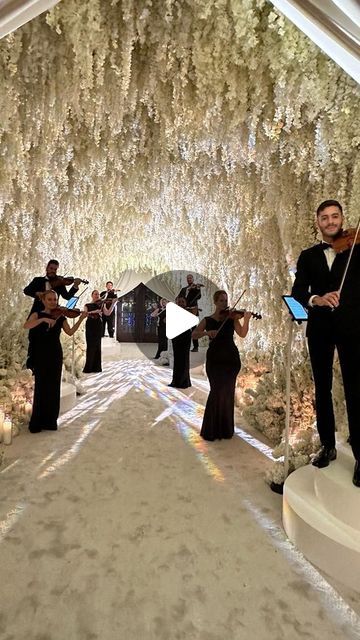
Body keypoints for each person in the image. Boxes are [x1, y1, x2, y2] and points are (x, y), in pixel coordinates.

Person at [292, 199, 360, 487]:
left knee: (355, 388)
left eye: (335, 216)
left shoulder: (357, 248)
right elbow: (297, 292)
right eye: (325, 217)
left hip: (352, 328)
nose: (331, 221)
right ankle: (327, 446)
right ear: (317, 222)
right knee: (322, 387)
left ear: (342, 218)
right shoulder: (308, 256)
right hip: (319, 328)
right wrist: (315, 299)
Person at [24, 290, 87, 433]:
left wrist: (81, 318)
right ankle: (37, 422)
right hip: (40, 354)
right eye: (50, 299)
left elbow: (70, 332)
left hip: (55, 354)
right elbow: (26, 325)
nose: (53, 302)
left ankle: (50, 421)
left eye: (55, 299)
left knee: (53, 387)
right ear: (44, 301)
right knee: (41, 387)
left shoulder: (60, 316)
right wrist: (43, 320)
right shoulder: (37, 314)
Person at [192, 290, 251, 441]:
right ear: (215, 302)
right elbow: (194, 334)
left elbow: (242, 334)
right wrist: (207, 333)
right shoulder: (207, 319)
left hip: (230, 359)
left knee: (227, 392)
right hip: (215, 359)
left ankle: (225, 429)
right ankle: (211, 429)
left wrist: (247, 319)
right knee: (216, 391)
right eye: (221, 301)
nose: (225, 303)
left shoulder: (231, 317)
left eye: (226, 300)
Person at [83, 290, 118, 373]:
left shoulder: (102, 304)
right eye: (95, 294)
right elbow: (85, 314)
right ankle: (88, 368)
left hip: (98, 325)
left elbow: (108, 313)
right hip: (90, 325)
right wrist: (93, 312)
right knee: (90, 345)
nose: (97, 295)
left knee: (97, 345)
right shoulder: (87, 305)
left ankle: (97, 368)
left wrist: (113, 303)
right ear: (92, 295)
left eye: (98, 294)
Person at [168, 297, 192, 389]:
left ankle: (184, 382)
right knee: (177, 358)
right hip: (176, 336)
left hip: (185, 336)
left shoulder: (189, 312)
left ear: (185, 303)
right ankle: (175, 381)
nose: (181, 303)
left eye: (182, 302)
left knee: (184, 358)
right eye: (179, 302)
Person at [179, 274, 203, 352]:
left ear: (192, 279)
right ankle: (184, 345)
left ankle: (196, 347)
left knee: (193, 328)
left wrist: (197, 288)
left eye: (190, 278)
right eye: (188, 278)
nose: (189, 279)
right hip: (185, 310)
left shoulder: (196, 288)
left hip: (193, 310)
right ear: (186, 279)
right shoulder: (183, 289)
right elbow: (179, 298)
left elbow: (199, 296)